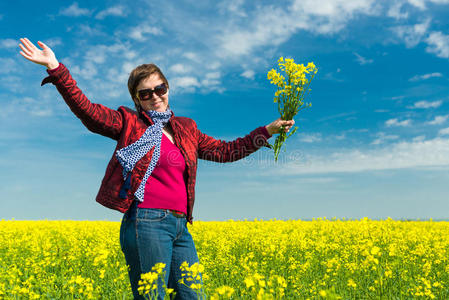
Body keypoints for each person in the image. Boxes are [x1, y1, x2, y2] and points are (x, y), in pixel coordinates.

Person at [18, 37, 295, 299]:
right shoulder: (129, 123)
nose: (155, 96)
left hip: (180, 225)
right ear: (137, 99)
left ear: (168, 88)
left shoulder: (186, 128)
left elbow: (225, 151)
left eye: (159, 89)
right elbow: (89, 112)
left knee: (193, 296)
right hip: (146, 222)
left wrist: (266, 132)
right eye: (146, 93)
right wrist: (56, 68)